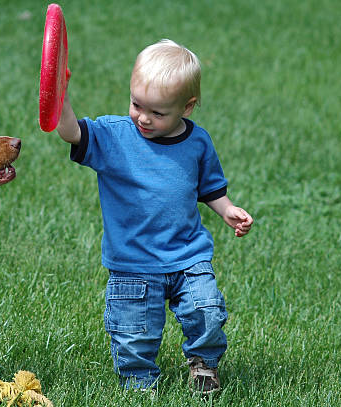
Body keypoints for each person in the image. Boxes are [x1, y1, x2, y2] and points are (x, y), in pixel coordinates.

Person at [55, 39, 253, 394]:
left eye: (157, 112)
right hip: (133, 261)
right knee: (134, 333)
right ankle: (139, 381)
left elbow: (209, 188)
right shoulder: (114, 136)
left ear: (187, 107)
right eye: (136, 104)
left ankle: (204, 365)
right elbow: (71, 133)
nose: (143, 118)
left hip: (187, 254)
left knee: (206, 311)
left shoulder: (198, 143)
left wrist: (228, 210)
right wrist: (61, 97)